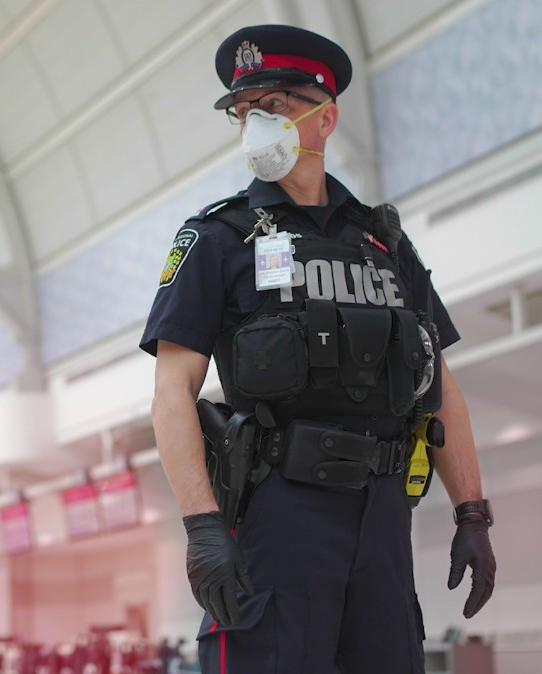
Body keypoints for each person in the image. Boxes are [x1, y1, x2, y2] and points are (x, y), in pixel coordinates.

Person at [140, 25, 497, 673]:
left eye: (274, 106)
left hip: (384, 516)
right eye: (244, 111)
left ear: (325, 118)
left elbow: (440, 385)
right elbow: (172, 393)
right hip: (279, 510)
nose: (255, 124)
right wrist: (202, 526)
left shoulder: (386, 244)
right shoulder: (218, 239)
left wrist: (472, 512)